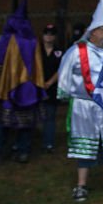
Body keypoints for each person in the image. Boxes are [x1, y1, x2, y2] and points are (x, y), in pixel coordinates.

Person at [57, 0, 103, 202]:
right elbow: (64, 75)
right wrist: (65, 95)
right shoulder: (76, 52)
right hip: (84, 106)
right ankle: (81, 185)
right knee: (84, 146)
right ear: (93, 31)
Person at [0, 2, 47, 165]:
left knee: (0, 122)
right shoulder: (33, 41)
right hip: (29, 89)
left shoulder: (6, 40)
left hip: (8, 87)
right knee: (25, 123)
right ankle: (23, 151)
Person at [39, 24, 65, 153]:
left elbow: (61, 69)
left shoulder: (59, 52)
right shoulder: (36, 50)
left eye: (51, 34)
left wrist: (49, 82)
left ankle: (48, 143)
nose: (49, 36)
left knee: (50, 116)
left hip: (52, 87)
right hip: (36, 87)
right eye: (47, 33)